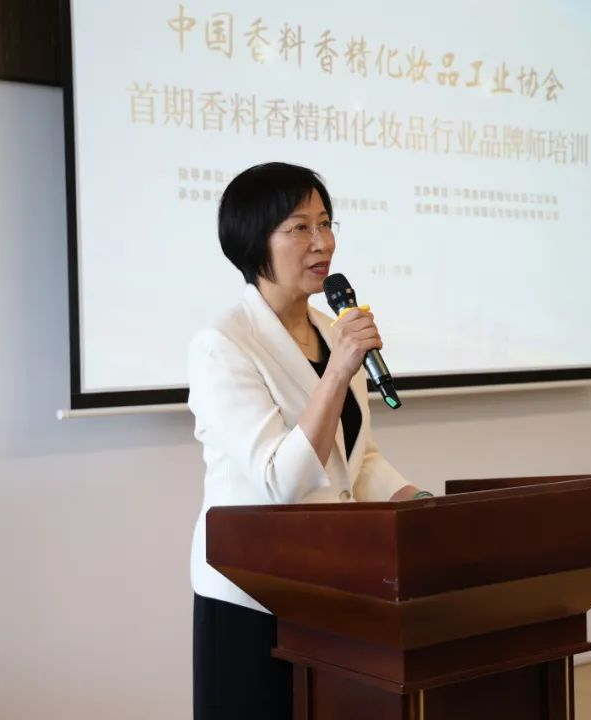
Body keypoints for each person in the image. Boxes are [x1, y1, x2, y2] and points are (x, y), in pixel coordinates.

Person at [188, 162, 428, 719]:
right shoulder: (222, 344)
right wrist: (339, 371)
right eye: (300, 228)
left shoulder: (328, 329)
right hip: (252, 593)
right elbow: (283, 479)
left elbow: (354, 458)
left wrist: (417, 503)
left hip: (329, 584)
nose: (322, 242)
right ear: (254, 242)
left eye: (325, 223)